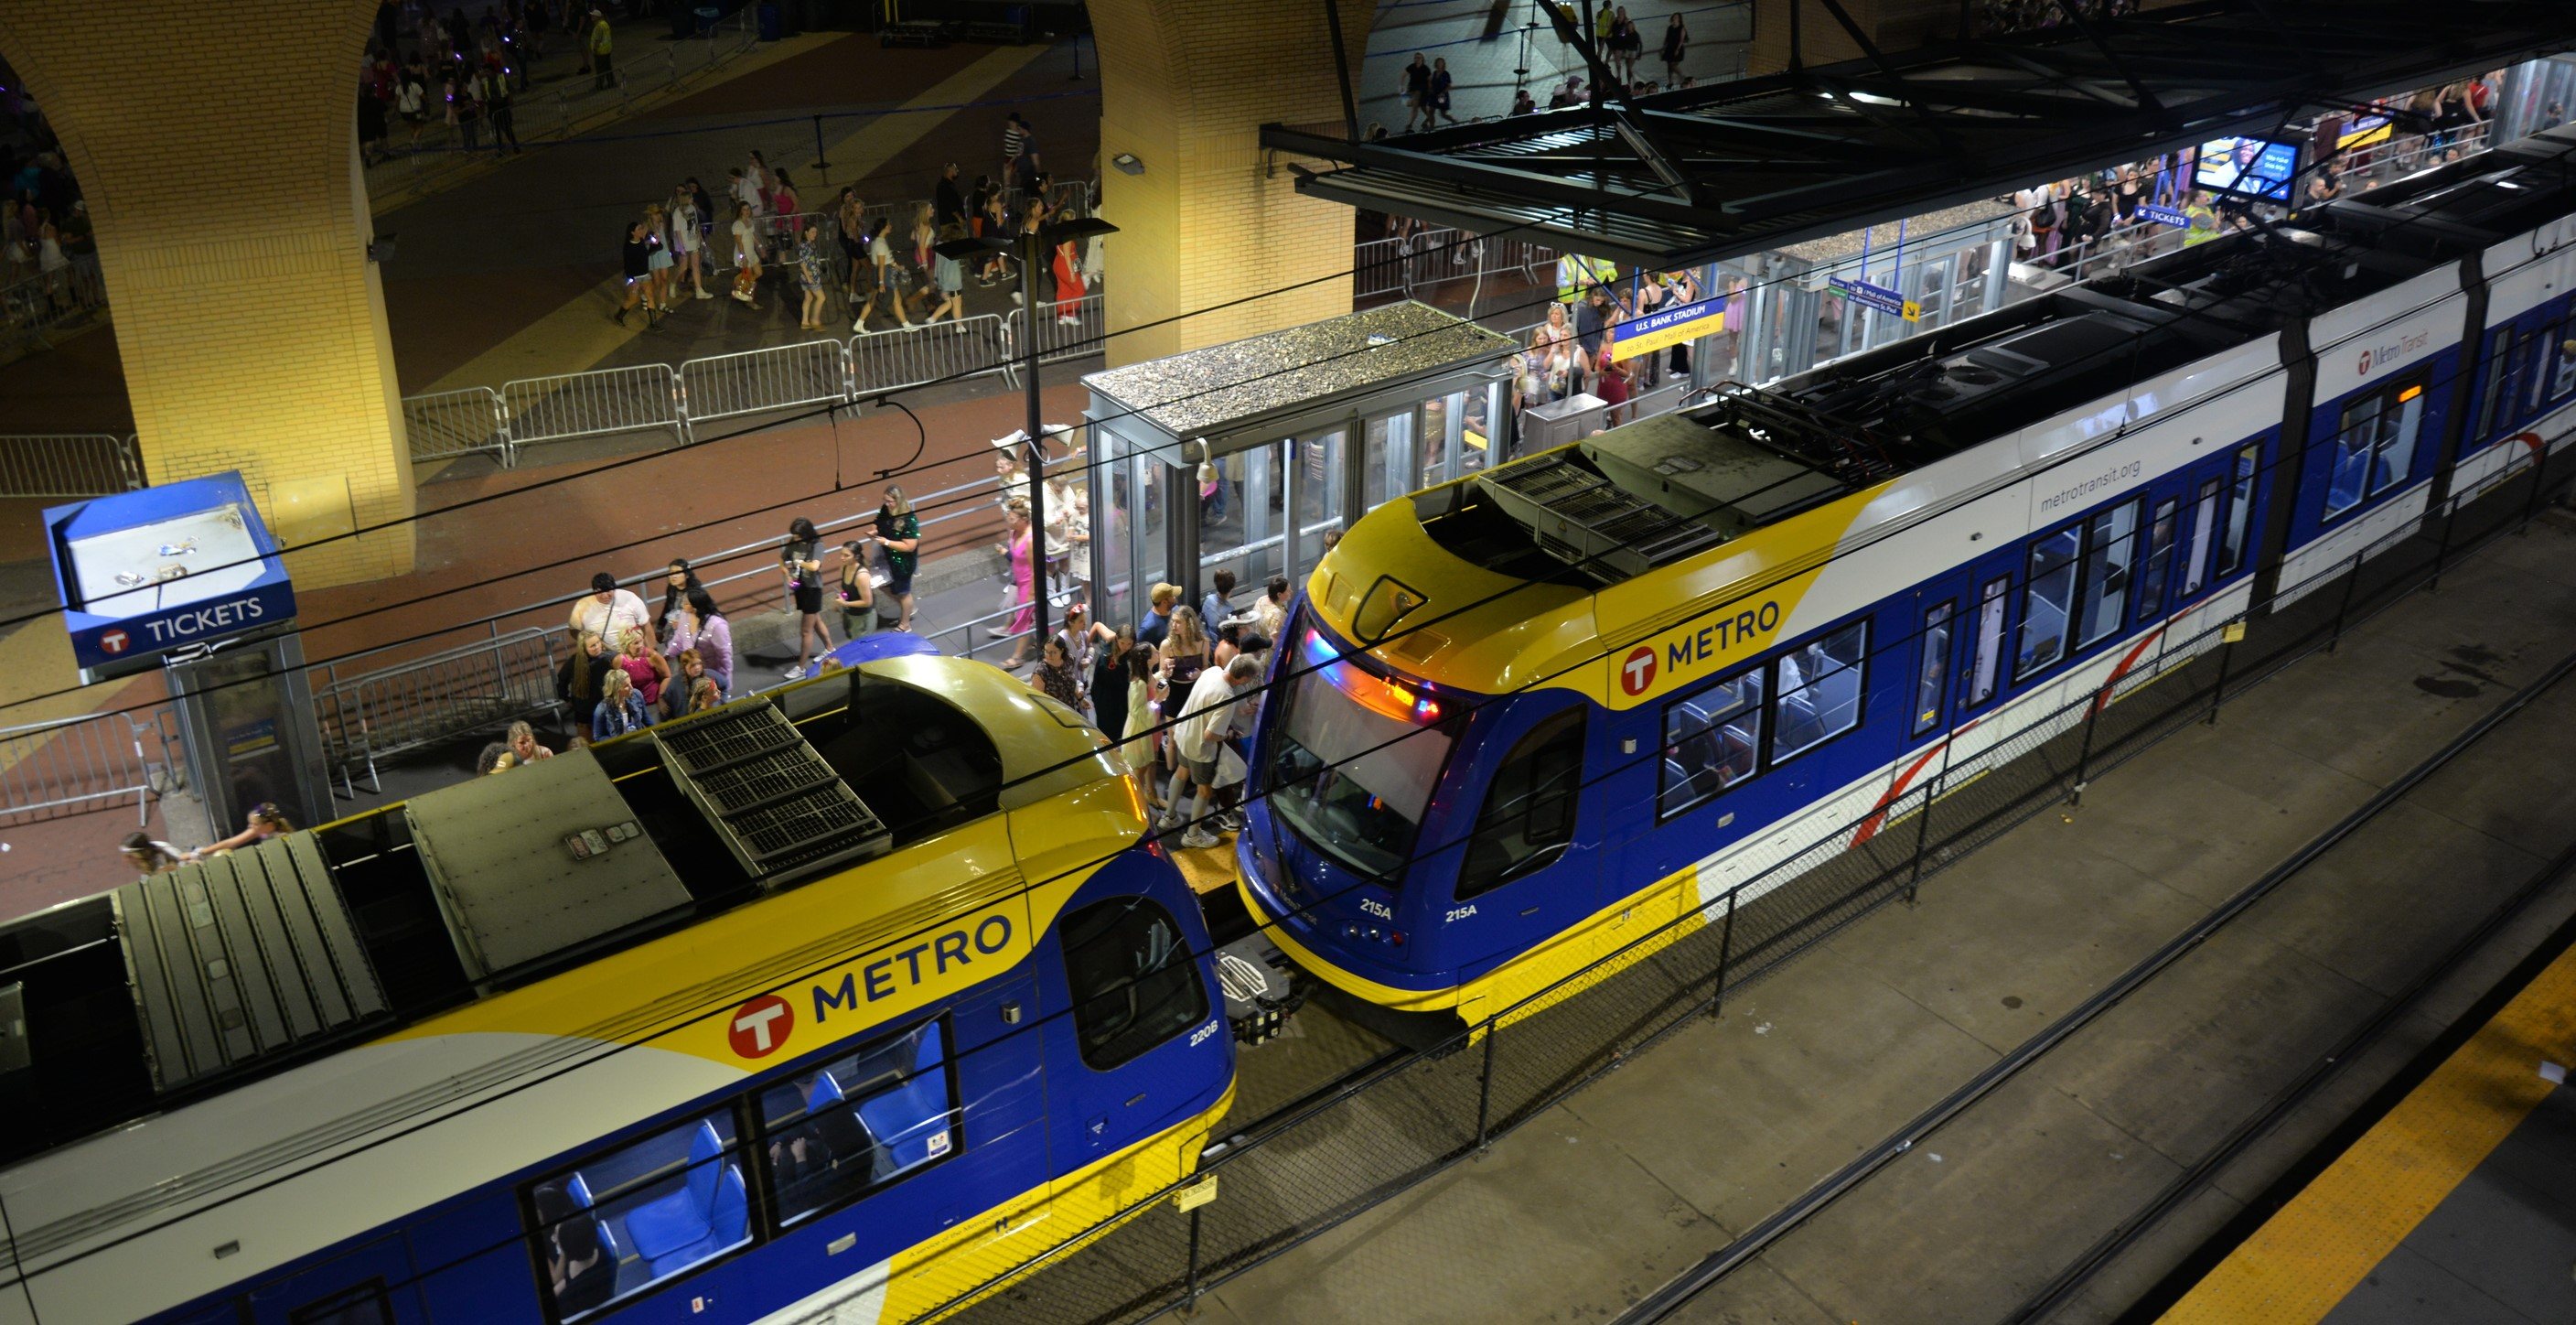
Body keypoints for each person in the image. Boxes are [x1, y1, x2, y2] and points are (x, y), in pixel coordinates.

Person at [1158, 654, 1261, 849]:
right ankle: (1193, 835)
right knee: (1204, 791)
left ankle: (1168, 817)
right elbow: (1210, 735)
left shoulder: (1212, 672)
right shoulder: (1227, 697)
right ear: (1244, 678)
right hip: (1199, 746)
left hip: (1183, 732)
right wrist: (1229, 734)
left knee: (1181, 772)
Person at [1118, 644, 1167, 809]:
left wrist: (1163, 674)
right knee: (1140, 768)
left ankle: (1151, 795)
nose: (1159, 653)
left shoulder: (1147, 674)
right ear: (1147, 659)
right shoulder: (1138, 684)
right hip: (1142, 730)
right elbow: (1137, 711)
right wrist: (1158, 701)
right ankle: (1133, 804)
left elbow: (1152, 683)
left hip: (1152, 727)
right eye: (1155, 652)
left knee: (1152, 762)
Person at [781, 517, 830, 680]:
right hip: (800, 587)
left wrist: (800, 563)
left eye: (797, 536)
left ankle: (801, 667)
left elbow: (815, 566)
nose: (794, 539)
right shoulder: (793, 541)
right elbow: (782, 559)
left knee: (805, 631)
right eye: (793, 535)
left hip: (813, 590)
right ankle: (829, 648)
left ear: (806, 533)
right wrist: (787, 574)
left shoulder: (817, 545)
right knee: (816, 620)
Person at [999, 500, 1038, 667]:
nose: (1010, 522)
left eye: (1013, 519)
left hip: (1029, 584)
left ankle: (1017, 657)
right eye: (1009, 518)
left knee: (1023, 618)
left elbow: (1036, 568)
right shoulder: (1014, 533)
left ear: (1023, 520)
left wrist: (1031, 593)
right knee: (1027, 616)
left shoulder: (1030, 540)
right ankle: (1034, 642)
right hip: (1019, 581)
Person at [875, 487, 920, 630]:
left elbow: (910, 546)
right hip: (886, 558)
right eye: (885, 501)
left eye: (890, 501)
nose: (886, 504)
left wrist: (886, 542)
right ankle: (908, 607)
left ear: (897, 500)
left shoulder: (909, 519)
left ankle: (905, 624)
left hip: (903, 564)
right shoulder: (885, 509)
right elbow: (878, 522)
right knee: (881, 584)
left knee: (903, 593)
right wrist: (873, 531)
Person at [570, 571, 651, 647]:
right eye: (600, 592)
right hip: (603, 657)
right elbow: (574, 630)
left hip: (632, 654)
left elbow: (646, 626)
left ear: (614, 588)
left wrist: (653, 653)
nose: (605, 595)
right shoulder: (582, 606)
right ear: (594, 591)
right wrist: (589, 644)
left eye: (608, 591)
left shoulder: (630, 598)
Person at [677, 586, 734, 694]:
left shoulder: (717, 626)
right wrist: (668, 654)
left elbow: (724, 657)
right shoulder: (685, 616)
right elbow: (679, 637)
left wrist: (726, 684)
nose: (682, 605)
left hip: (711, 677)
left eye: (686, 603)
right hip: (693, 674)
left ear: (695, 607)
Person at [190, 803, 292, 860]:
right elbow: (231, 842)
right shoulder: (264, 830)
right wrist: (200, 852)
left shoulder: (279, 841)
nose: (250, 827)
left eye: (255, 824)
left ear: (269, 826)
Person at [1090, 624, 1137, 740]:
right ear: (1117, 639)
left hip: (1121, 696)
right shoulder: (1111, 637)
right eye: (1122, 643)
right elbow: (1097, 625)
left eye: (1129, 644)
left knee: (1121, 729)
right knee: (1105, 728)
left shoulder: (1133, 654)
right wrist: (1086, 644)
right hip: (1103, 694)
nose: (1125, 647)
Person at [924, 222, 968, 327]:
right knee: (957, 304)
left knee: (949, 303)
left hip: (942, 281)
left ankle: (932, 318)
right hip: (953, 282)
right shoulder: (953, 248)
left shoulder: (939, 244)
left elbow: (939, 265)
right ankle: (959, 326)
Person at [669, 186, 709, 300]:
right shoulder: (677, 213)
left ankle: (699, 290)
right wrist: (681, 247)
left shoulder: (692, 208)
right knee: (683, 267)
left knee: (696, 265)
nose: (692, 199)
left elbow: (696, 224)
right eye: (691, 197)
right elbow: (677, 231)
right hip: (683, 244)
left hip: (694, 241)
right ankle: (673, 284)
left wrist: (700, 238)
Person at [835, 538, 877, 639]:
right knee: (853, 640)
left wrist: (845, 604)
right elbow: (846, 589)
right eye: (841, 554)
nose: (842, 558)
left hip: (863, 618)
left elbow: (867, 602)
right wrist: (840, 600)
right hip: (850, 614)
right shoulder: (844, 568)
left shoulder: (862, 576)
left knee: (863, 646)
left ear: (856, 556)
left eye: (846, 555)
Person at [1027, 635, 1083, 707]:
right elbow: (1038, 701)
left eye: (1053, 652)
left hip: (1070, 708)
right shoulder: (1041, 672)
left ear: (1062, 650)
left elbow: (1072, 681)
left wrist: (1081, 699)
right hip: (1053, 713)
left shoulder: (1069, 660)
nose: (1049, 655)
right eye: (1046, 651)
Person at [594, 669, 650, 738]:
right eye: (626, 686)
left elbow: (647, 721)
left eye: (630, 683)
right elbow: (598, 736)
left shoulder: (637, 695)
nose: (631, 687)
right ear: (616, 689)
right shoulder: (602, 708)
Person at [795, 219, 829, 330]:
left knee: (808, 298)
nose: (815, 234)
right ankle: (815, 320)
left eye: (816, 232)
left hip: (807, 276)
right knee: (821, 298)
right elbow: (802, 263)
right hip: (810, 277)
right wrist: (809, 277)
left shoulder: (809, 244)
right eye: (813, 232)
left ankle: (805, 322)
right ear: (806, 232)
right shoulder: (805, 246)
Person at [1050, 236, 1085, 326]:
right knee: (1079, 290)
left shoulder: (1060, 235)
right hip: (1066, 265)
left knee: (1063, 290)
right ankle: (1070, 314)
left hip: (1058, 262)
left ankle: (1061, 315)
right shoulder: (1067, 238)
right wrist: (1072, 273)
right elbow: (1067, 256)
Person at [121, 830, 187, 877]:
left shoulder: (164, 856)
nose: (125, 860)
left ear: (139, 854)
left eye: (129, 856)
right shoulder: (147, 854)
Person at [1137, 582, 1181, 648]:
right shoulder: (1148, 629)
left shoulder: (1177, 610)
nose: (1175, 597)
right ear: (1164, 602)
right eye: (1172, 596)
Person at [1401, 54, 1432, 133]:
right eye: (1415, 58)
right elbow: (1403, 75)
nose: (1417, 59)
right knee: (1415, 105)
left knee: (1421, 107)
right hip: (1413, 89)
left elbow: (1429, 80)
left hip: (1422, 90)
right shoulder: (1412, 66)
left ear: (1422, 59)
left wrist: (1430, 90)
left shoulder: (1425, 68)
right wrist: (1402, 86)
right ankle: (1416, 123)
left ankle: (1411, 124)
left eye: (1419, 58)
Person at [586, 7, 613, 91]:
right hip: (607, 50)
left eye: (593, 16)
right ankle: (611, 83)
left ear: (597, 17)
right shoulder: (605, 24)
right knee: (608, 68)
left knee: (600, 70)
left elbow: (597, 40)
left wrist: (594, 49)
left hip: (600, 51)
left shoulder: (598, 26)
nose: (592, 17)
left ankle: (599, 85)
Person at [1255, 576, 1290, 640]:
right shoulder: (1278, 615)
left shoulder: (1261, 600)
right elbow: (1275, 640)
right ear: (1279, 594)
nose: (1291, 592)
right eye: (1288, 591)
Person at [935, 161, 967, 228]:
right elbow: (949, 204)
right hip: (951, 223)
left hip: (953, 222)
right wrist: (959, 218)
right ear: (950, 171)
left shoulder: (949, 185)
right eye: (955, 169)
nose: (957, 171)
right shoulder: (944, 186)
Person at [1428, 58, 1458, 127]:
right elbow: (1432, 83)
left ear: (1443, 64)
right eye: (1438, 62)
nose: (1439, 64)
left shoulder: (1446, 74)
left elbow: (1449, 85)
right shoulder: (1434, 73)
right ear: (1436, 64)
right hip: (1434, 95)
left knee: (1443, 114)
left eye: (1441, 62)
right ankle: (1432, 126)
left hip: (1442, 96)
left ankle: (1454, 121)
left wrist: (1442, 93)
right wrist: (1430, 88)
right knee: (1431, 111)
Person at [1661, 13, 1688, 84]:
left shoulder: (1682, 28)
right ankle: (1670, 81)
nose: (1675, 19)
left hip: (1677, 49)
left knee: (1673, 65)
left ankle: (1681, 75)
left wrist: (1677, 49)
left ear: (1679, 19)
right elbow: (1667, 38)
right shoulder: (1670, 27)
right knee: (1669, 66)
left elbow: (1681, 40)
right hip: (1669, 48)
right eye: (1674, 17)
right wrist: (1663, 48)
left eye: (1676, 17)